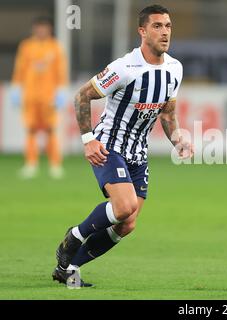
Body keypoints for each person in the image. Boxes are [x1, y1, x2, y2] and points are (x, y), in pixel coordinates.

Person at [52, 4, 193, 287]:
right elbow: (82, 96)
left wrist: (178, 139)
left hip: (137, 153)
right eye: (157, 26)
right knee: (124, 206)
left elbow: (166, 112)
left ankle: (70, 268)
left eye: (167, 26)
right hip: (109, 145)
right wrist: (88, 140)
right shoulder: (124, 68)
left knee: (127, 224)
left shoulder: (174, 69)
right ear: (142, 31)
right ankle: (75, 236)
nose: (164, 32)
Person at [11, 16, 68, 179]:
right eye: (39, 28)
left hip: (48, 96)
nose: (41, 31)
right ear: (34, 29)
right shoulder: (26, 46)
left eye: (44, 28)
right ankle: (31, 163)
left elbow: (60, 71)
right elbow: (20, 68)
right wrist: (16, 87)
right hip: (30, 95)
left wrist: (61, 90)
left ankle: (55, 164)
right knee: (30, 130)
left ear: (49, 29)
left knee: (51, 129)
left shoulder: (55, 47)